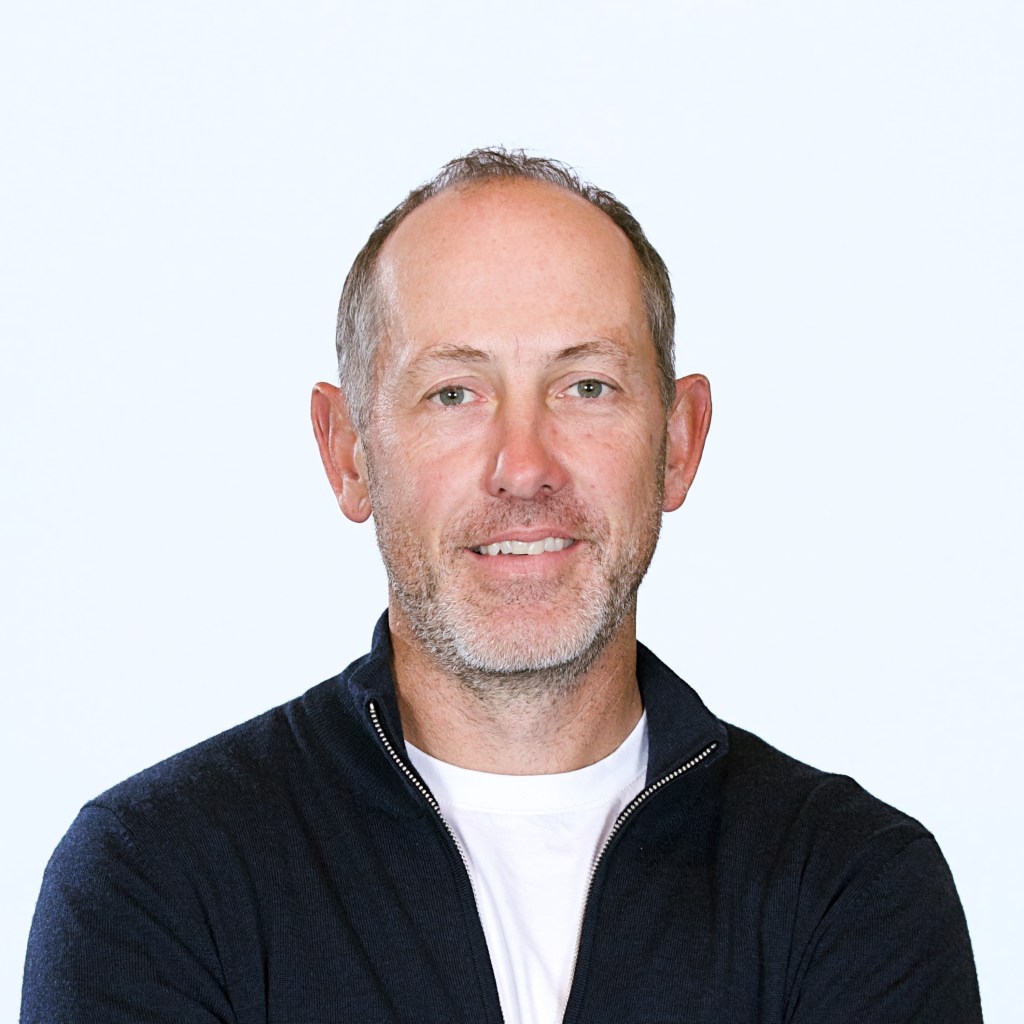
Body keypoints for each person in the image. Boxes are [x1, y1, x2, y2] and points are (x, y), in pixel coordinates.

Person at [21, 148, 982, 1023]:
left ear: (680, 443)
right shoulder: (158, 880)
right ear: (349, 451)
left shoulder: (853, 888)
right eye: (454, 394)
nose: (524, 467)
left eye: (587, 386)